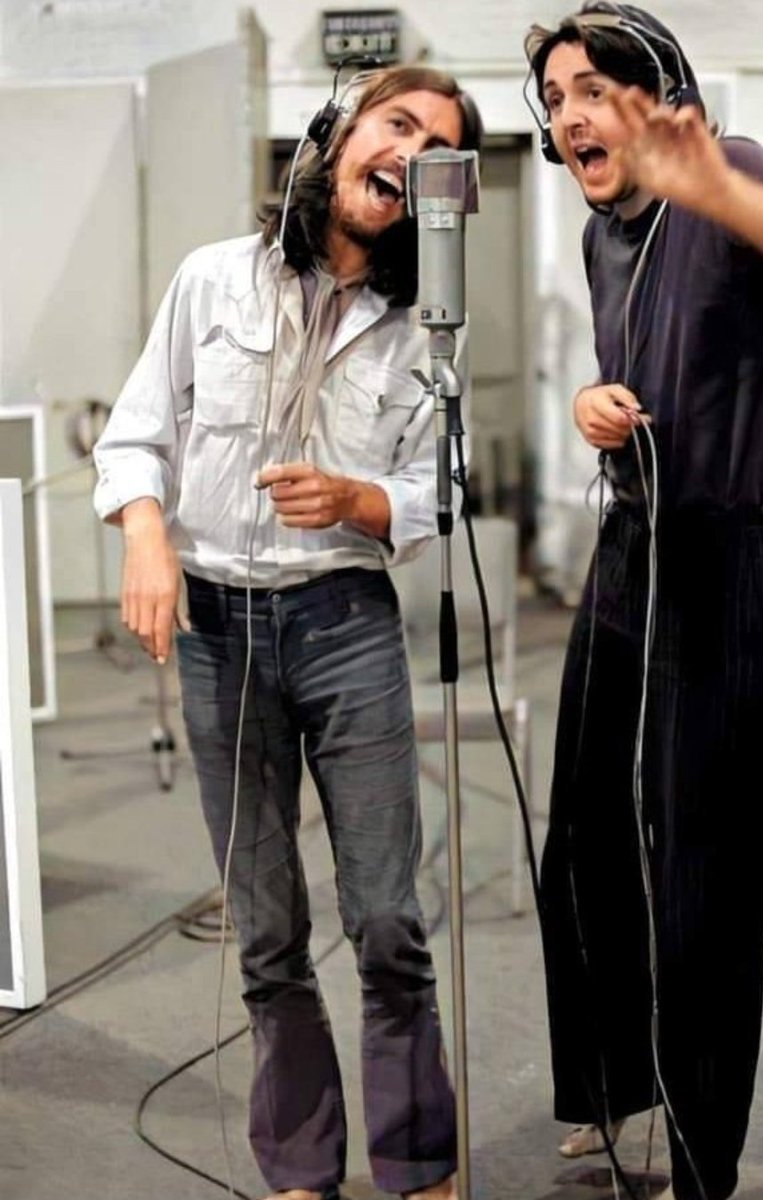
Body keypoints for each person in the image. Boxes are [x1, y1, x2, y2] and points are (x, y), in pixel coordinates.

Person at [93, 65, 482, 1200]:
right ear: (333, 137)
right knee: (266, 931)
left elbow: (438, 486)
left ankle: (416, 1161)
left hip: (346, 624)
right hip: (219, 626)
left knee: (389, 920)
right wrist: (145, 539)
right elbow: (133, 438)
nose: (410, 155)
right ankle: (300, 1166)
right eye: (396, 125)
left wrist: (361, 503)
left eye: (436, 148)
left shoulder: (429, 325)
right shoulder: (213, 279)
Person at [523, 6, 763, 1199]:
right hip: (637, 543)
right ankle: (612, 1081)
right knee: (581, 827)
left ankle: (697, 1148)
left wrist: (715, 186)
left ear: (658, 92)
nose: (573, 113)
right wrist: (592, 404)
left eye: (594, 89)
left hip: (738, 558)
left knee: (703, 864)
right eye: (557, 95)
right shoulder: (601, 236)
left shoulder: (729, 174)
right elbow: (639, 366)